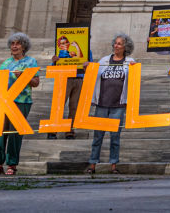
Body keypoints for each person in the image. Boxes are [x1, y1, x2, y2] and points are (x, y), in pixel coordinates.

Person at [0, 32, 39, 176]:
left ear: (24, 47)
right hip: (4, 101)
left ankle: (12, 165)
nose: (14, 46)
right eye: (12, 44)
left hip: (22, 101)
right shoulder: (6, 63)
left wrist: (24, 77)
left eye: (18, 43)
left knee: (15, 133)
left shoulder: (31, 62)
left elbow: (36, 83)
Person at [86, 33, 135, 174]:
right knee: (97, 136)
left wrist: (134, 68)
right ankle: (93, 164)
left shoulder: (130, 61)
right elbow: (93, 75)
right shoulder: (104, 60)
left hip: (118, 105)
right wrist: (87, 67)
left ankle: (113, 165)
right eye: (115, 43)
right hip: (102, 103)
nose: (116, 45)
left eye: (119, 44)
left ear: (125, 47)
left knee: (115, 137)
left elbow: (134, 82)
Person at [48, 36, 92, 140]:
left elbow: (89, 64)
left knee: (74, 106)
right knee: (59, 105)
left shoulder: (86, 50)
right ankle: (53, 130)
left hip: (78, 78)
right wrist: (54, 61)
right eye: (62, 43)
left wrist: (88, 64)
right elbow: (53, 67)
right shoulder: (60, 52)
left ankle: (70, 130)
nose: (65, 44)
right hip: (64, 78)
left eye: (66, 42)